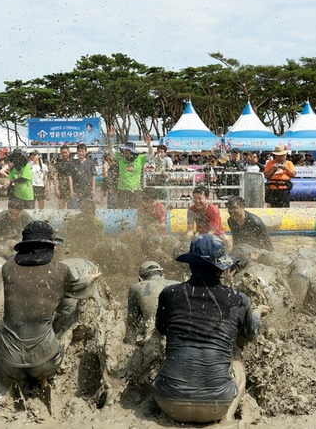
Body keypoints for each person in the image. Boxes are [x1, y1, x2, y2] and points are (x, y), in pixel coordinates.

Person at [153, 234, 264, 423]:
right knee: (236, 361)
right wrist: (258, 314)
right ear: (222, 267)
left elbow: (162, 329)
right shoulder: (238, 299)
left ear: (190, 264)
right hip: (215, 405)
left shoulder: (169, 294)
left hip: (168, 403)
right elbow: (251, 334)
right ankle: (226, 419)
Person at [0, 221, 101, 401]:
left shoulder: (8, 268)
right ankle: (45, 381)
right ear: (50, 247)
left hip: (9, 363)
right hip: (45, 361)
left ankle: (13, 384)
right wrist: (89, 280)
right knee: (60, 338)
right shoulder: (60, 270)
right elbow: (76, 290)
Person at [126, 261, 178, 341]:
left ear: (140, 279)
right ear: (163, 275)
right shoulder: (179, 284)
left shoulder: (136, 287)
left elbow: (132, 321)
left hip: (154, 337)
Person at [106, 128, 154, 209]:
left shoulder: (140, 159)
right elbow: (111, 150)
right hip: (122, 190)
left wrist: (149, 145)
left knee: (136, 210)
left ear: (132, 152)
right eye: (124, 150)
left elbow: (151, 154)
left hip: (136, 190)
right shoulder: (121, 157)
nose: (125, 152)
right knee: (122, 211)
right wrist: (110, 138)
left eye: (127, 151)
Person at [71, 143, 97, 208]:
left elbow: (93, 176)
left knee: (87, 209)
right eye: (79, 151)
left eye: (83, 151)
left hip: (88, 191)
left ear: (86, 152)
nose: (81, 153)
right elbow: (70, 177)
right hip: (76, 190)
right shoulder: (73, 163)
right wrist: (71, 190)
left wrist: (93, 189)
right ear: (77, 152)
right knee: (75, 209)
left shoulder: (90, 163)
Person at [51, 145, 74, 209]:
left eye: (65, 152)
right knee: (61, 208)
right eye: (62, 153)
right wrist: (56, 189)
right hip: (62, 188)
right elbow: (55, 176)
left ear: (69, 152)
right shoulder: (58, 163)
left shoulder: (73, 163)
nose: (64, 154)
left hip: (72, 188)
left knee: (71, 208)